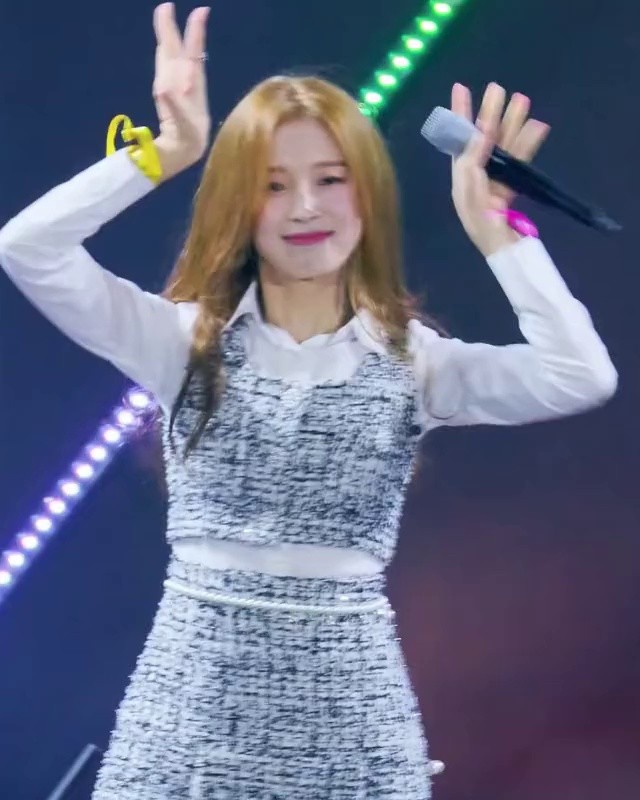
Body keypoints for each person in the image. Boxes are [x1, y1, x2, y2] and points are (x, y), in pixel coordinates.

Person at [0, 3, 617, 798]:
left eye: (330, 180)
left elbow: (580, 375)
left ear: (368, 198)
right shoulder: (180, 342)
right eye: (273, 185)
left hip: (353, 730)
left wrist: (500, 233)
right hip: (185, 727)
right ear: (238, 204)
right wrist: (166, 151)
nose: (303, 208)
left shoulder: (413, 362)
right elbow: (27, 249)